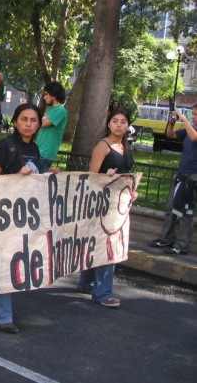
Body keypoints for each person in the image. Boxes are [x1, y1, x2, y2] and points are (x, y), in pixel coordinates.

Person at [0, 103, 58, 333]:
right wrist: (16, 176)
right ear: (15, 122)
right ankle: (2, 315)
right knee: (7, 263)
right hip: (2, 217)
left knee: (11, 263)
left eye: (33, 120)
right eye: (24, 119)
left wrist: (49, 175)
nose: (29, 124)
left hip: (22, 218)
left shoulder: (34, 149)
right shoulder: (6, 147)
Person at [77, 108, 134, 308]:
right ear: (108, 124)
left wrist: (131, 191)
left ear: (128, 125)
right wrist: (105, 176)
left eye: (123, 121)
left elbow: (127, 175)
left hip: (119, 202)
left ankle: (85, 283)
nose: (119, 125)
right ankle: (103, 292)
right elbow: (91, 177)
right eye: (115, 121)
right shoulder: (103, 146)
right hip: (101, 202)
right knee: (110, 246)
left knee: (101, 244)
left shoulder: (125, 146)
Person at [148, 105, 197, 255]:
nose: (194, 117)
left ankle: (181, 246)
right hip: (182, 175)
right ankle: (166, 239)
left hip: (193, 177)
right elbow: (171, 135)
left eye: (196, 114)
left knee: (186, 213)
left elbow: (195, 137)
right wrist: (171, 122)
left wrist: (184, 119)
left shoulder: (192, 130)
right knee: (171, 208)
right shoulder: (189, 129)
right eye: (193, 114)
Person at [37, 81, 68, 172]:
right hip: (39, 151)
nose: (44, 97)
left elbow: (41, 124)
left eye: (46, 94)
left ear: (53, 95)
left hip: (45, 153)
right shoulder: (50, 109)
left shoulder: (61, 111)